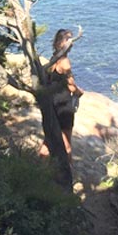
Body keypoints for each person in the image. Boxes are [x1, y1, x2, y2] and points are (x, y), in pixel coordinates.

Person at [39, 29, 85, 163]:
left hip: (52, 103)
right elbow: (71, 85)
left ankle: (37, 170)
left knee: (49, 140)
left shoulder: (53, 59)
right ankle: (67, 177)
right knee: (66, 143)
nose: (71, 44)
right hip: (63, 105)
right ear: (60, 43)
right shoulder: (64, 62)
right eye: (68, 40)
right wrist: (78, 92)